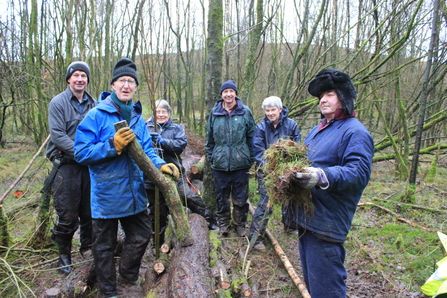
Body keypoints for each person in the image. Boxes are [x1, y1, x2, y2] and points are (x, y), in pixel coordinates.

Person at [74, 58, 179, 298]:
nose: (126, 85)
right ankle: (108, 290)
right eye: (122, 80)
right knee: (104, 247)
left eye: (131, 81)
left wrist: (162, 165)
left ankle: (128, 275)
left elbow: (147, 150)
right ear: (112, 84)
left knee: (141, 235)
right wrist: (112, 145)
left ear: (135, 87)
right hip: (106, 194)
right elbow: (81, 152)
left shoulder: (137, 117)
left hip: (134, 192)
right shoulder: (96, 115)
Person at [284, 68, 374, 297]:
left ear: (344, 97)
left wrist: (321, 176)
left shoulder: (355, 133)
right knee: (314, 287)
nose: (323, 99)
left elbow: (359, 173)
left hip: (327, 223)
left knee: (327, 290)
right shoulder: (317, 130)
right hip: (307, 219)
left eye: (330, 94)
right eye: (321, 95)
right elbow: (303, 161)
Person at [46, 61, 96, 275]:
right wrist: (82, 153)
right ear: (69, 79)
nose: (79, 79)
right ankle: (63, 255)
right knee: (67, 214)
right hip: (66, 165)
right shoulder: (58, 102)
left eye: (83, 76)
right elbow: (58, 136)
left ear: (87, 80)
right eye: (75, 75)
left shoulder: (93, 104)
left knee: (89, 211)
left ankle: (87, 248)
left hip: (88, 167)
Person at [145, 100, 218, 241]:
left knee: (189, 197)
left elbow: (180, 145)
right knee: (156, 210)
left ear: (169, 113)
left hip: (175, 174)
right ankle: (158, 242)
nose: (160, 115)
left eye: (163, 112)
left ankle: (210, 221)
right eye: (157, 112)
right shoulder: (145, 127)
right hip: (152, 176)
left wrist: (163, 142)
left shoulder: (176, 128)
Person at [248, 96, 301, 251]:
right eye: (267, 110)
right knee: (266, 203)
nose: (270, 113)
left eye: (273, 110)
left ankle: (290, 226)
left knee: (290, 197)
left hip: (287, 171)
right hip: (267, 173)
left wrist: (287, 168)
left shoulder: (291, 125)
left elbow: (297, 147)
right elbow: (257, 151)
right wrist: (270, 168)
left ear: (280, 109)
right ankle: (255, 238)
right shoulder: (261, 127)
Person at [205, 80, 256, 237]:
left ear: (235, 93)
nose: (228, 94)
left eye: (231, 91)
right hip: (220, 165)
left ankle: (240, 224)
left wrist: (250, 159)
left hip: (241, 164)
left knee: (241, 198)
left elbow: (252, 137)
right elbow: (209, 141)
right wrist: (212, 159)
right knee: (222, 198)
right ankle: (223, 225)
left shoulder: (245, 112)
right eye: (225, 91)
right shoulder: (214, 113)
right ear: (221, 95)